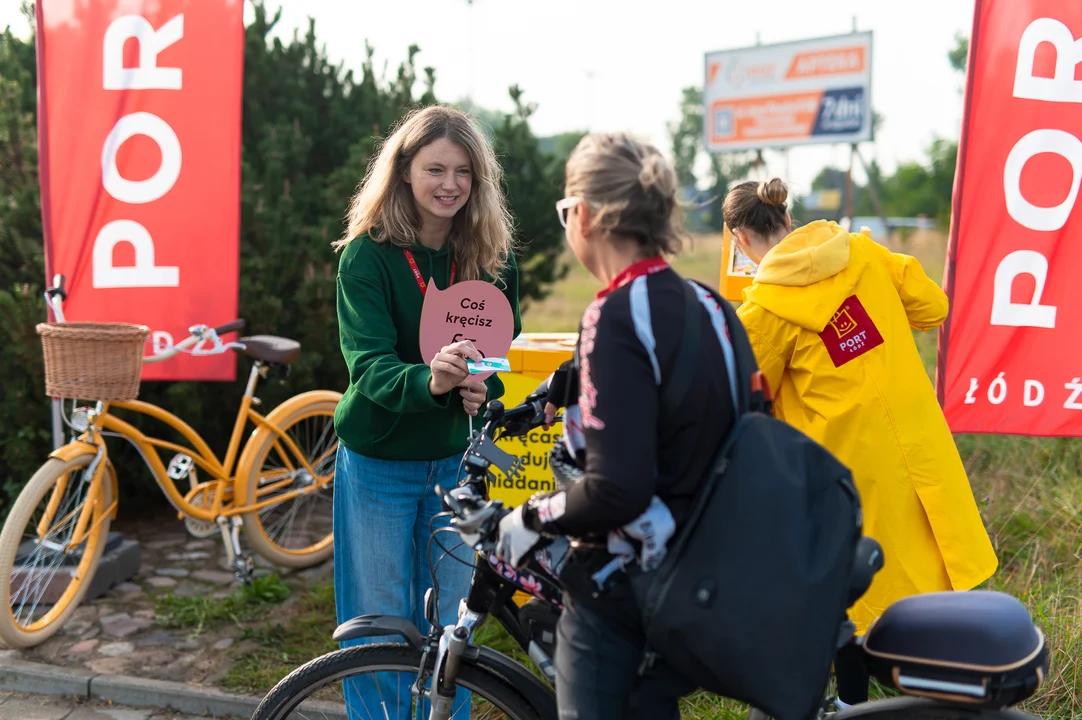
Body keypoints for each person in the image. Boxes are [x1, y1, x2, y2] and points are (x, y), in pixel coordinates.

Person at [490, 132, 741, 720]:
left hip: (620, 593)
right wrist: (566, 384)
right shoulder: (707, 304)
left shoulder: (614, 315)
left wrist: (528, 518)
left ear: (585, 215)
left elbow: (616, 489)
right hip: (697, 571)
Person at [724, 177, 999, 709]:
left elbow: (745, 397)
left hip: (846, 477)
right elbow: (933, 308)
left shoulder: (763, 313)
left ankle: (858, 706)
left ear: (738, 238)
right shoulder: (864, 253)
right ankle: (946, 697)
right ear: (787, 215)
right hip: (915, 452)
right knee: (928, 595)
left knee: (852, 604)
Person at [331, 104, 521, 719]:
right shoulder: (367, 257)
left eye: (463, 172)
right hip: (380, 461)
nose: (449, 185)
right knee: (379, 623)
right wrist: (431, 381)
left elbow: (496, 359)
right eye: (435, 168)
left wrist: (480, 391)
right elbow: (369, 366)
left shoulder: (494, 260)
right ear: (404, 172)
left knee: (451, 627)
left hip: (455, 466)